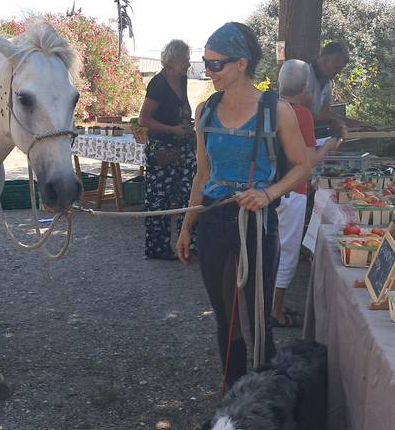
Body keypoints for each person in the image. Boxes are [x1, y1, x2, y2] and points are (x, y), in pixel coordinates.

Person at [175, 22, 311, 387]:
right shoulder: (204, 110)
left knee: (258, 316)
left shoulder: (276, 110)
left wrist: (269, 193)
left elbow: (303, 165)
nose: (209, 72)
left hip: (257, 221)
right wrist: (187, 227)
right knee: (226, 317)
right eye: (205, 63)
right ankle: (234, 395)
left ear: (242, 63)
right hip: (215, 219)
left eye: (215, 64)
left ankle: (265, 396)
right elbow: (202, 175)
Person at [270, 59, 341, 327]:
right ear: (304, 87)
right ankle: (275, 310)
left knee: (267, 248)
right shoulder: (301, 114)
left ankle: (264, 303)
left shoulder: (268, 108)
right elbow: (309, 161)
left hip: (269, 187)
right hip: (293, 189)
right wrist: (329, 147)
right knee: (287, 250)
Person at [138, 39, 196, 260]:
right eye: (185, 60)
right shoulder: (158, 84)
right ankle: (158, 248)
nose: (188, 64)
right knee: (158, 199)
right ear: (172, 61)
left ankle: (187, 242)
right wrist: (172, 129)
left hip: (183, 146)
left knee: (188, 194)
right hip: (161, 149)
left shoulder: (183, 80)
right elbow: (144, 119)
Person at [304, 42, 372, 138]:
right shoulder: (304, 76)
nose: (338, 72)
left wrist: (353, 124)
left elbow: (325, 112)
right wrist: (345, 122)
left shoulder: (328, 83)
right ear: (325, 60)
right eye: (337, 68)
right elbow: (309, 114)